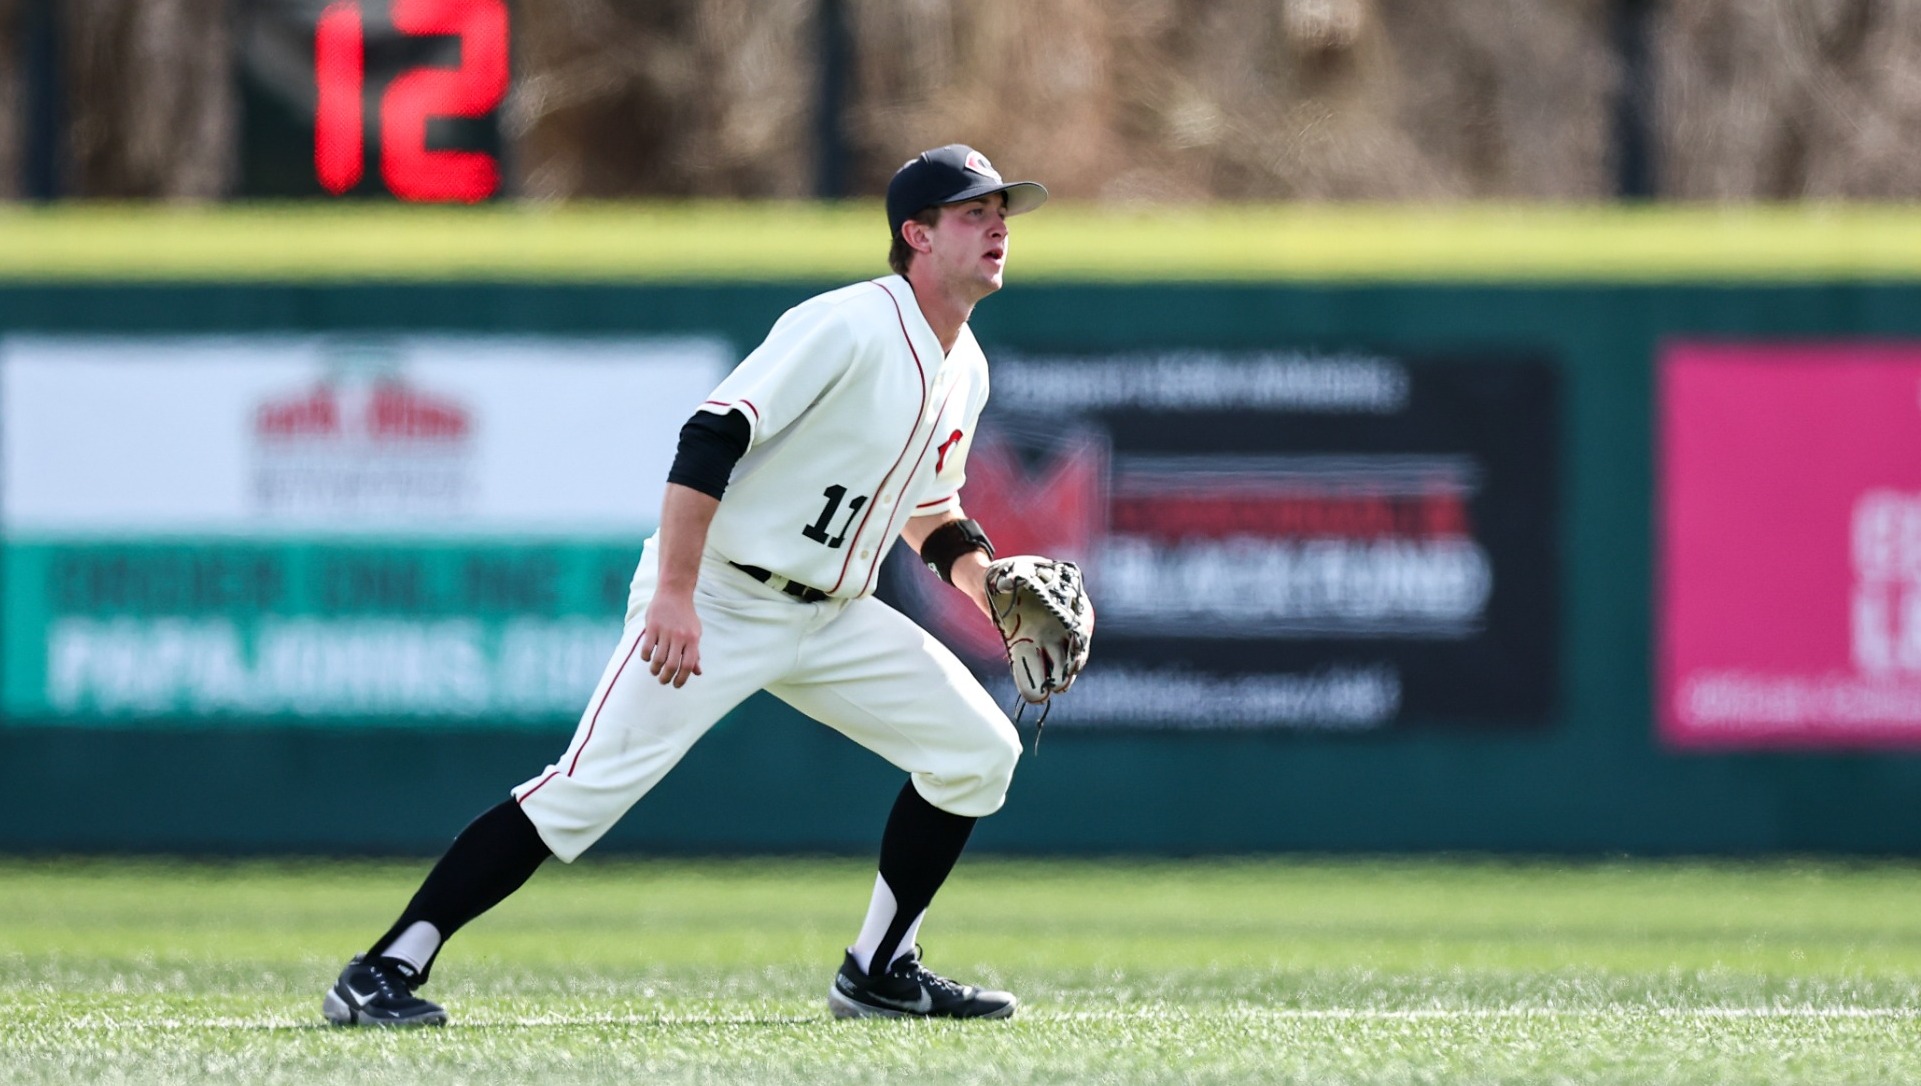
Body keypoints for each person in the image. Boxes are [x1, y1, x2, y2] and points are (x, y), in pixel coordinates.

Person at [323, 144, 1050, 1026]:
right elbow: (710, 436)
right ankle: (383, 969)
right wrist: (673, 591)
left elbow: (930, 511)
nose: (999, 226)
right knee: (580, 791)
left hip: (832, 615)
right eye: (974, 212)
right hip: (718, 594)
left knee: (977, 752)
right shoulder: (852, 323)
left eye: (1001, 210)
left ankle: (879, 968)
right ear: (916, 234)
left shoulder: (964, 364)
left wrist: (989, 587)